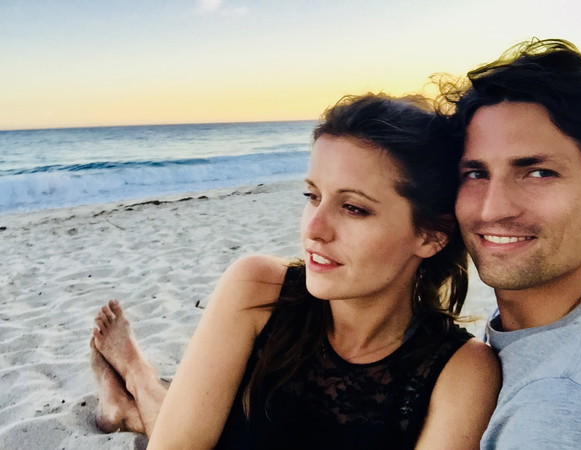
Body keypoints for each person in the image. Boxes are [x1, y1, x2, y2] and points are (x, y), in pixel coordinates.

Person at [91, 93, 500, 449]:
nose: (313, 229)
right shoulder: (258, 289)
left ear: (431, 235)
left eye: (353, 208)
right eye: (312, 195)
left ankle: (134, 388)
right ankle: (138, 378)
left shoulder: (461, 371)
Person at [443, 38, 581, 448]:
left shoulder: (557, 407)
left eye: (538, 173)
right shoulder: (547, 331)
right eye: (476, 173)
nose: (493, 209)